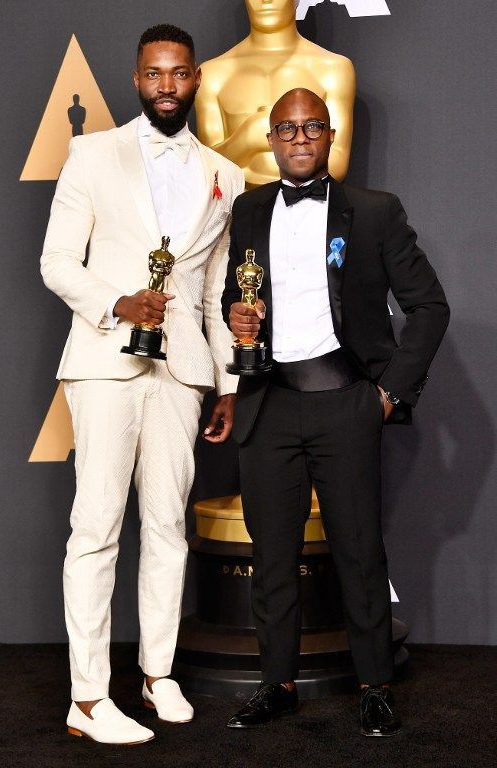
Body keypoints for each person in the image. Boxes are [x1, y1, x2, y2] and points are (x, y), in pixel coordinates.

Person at [222, 88, 449, 736]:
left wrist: (387, 394)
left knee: (357, 553)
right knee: (271, 557)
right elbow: (229, 300)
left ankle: (374, 685)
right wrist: (233, 317)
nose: (297, 138)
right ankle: (277, 684)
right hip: (267, 405)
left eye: (310, 127)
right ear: (270, 138)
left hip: (345, 403)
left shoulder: (374, 212)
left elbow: (429, 308)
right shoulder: (247, 209)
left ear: (328, 135)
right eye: (286, 128)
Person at [41, 24, 244, 745]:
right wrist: (117, 301)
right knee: (95, 530)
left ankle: (158, 675)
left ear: (194, 81)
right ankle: (88, 699)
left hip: (182, 370)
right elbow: (57, 261)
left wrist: (223, 379)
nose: (166, 85)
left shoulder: (226, 174)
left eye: (178, 73)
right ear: (136, 80)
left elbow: (218, 289)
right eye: (153, 73)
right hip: (103, 361)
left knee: (166, 527)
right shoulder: (92, 154)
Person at [196, 0, 355, 186]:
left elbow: (337, 162)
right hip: (237, 211)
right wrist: (247, 138)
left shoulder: (334, 69)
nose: (266, 1)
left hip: (312, 209)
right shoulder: (212, 75)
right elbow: (208, 168)